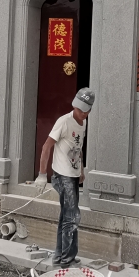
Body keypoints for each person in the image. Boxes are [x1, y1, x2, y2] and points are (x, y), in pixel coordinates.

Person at [37, 87, 94, 267]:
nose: (81, 113)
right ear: (74, 105)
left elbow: (79, 148)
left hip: (73, 175)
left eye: (85, 111)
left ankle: (60, 256)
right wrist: (42, 174)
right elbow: (46, 146)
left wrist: (81, 171)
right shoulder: (64, 121)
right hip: (63, 175)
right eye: (79, 109)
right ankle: (67, 261)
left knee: (66, 217)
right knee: (72, 217)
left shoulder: (83, 123)